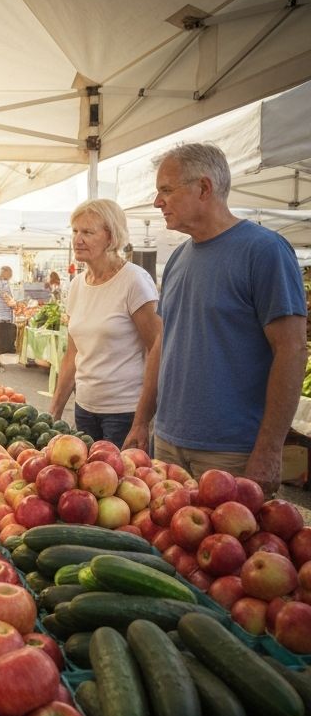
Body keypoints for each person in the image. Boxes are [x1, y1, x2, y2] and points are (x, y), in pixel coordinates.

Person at [124, 143, 307, 493]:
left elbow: (292, 350)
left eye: (166, 190)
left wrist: (269, 449)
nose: (157, 202)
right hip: (168, 442)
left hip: (232, 452)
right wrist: (141, 420)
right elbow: (163, 344)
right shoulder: (178, 258)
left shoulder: (264, 250)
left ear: (204, 188)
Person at [49, 199, 161, 448]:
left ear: (111, 237)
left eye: (88, 232)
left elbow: (157, 346)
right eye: (75, 231)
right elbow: (73, 353)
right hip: (84, 408)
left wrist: (142, 421)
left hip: (124, 413)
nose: (78, 239)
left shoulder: (134, 281)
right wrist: (54, 410)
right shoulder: (77, 285)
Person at [0, 265, 17, 356]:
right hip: (5, 319)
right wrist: (16, 305)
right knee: (6, 348)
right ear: (9, 274)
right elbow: (8, 300)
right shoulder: (4, 284)